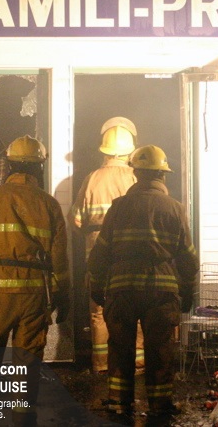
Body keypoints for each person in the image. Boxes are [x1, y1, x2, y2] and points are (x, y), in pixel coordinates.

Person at [87, 145, 199, 420]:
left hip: (122, 291)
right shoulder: (175, 208)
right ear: (163, 174)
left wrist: (96, 284)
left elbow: (101, 252)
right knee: (160, 350)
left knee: (120, 348)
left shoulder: (119, 207)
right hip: (161, 292)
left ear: (136, 174)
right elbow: (188, 256)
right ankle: (160, 406)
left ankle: (118, 403)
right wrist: (188, 290)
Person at [0, 135, 70, 427]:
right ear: (39, 167)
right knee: (27, 358)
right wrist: (62, 292)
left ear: (10, 165)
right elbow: (59, 257)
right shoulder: (49, 204)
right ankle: (23, 417)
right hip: (35, 292)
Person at [69, 116, 139, 374]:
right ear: (130, 151)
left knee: (99, 312)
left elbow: (76, 221)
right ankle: (136, 364)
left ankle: (101, 364)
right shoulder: (136, 178)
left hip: (97, 257)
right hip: (129, 258)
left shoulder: (92, 179)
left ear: (104, 150)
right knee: (133, 310)